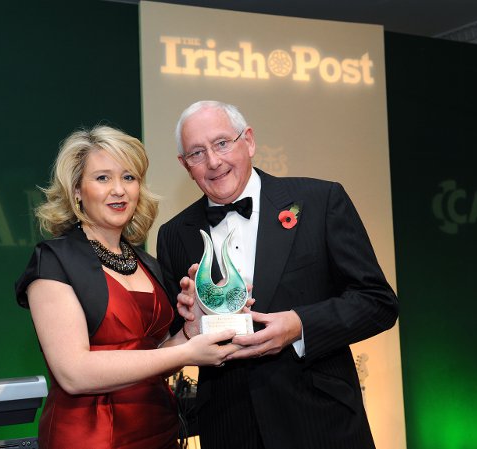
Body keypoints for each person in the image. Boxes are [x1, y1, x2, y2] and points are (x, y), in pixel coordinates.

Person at [156, 101, 399, 449]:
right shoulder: (175, 234)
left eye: (222, 143)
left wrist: (299, 326)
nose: (213, 161)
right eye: (197, 152)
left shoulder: (319, 201)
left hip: (321, 424)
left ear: (249, 141)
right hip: (228, 428)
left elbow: (378, 303)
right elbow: (172, 344)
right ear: (185, 165)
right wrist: (188, 328)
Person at [15, 125, 239, 449]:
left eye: (129, 177)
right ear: (77, 190)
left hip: (160, 431)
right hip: (89, 438)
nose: (119, 190)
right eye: (103, 178)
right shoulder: (54, 260)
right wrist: (190, 351)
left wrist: (191, 331)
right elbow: (74, 373)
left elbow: (154, 356)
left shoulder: (147, 263)